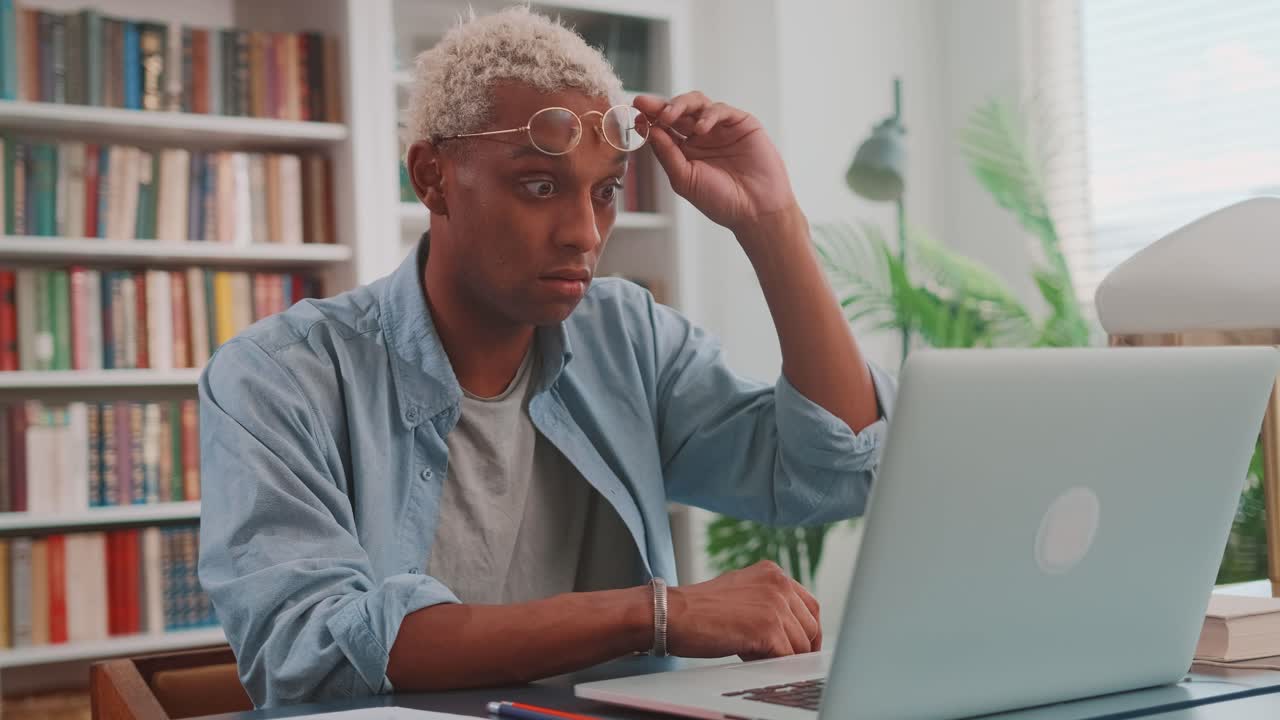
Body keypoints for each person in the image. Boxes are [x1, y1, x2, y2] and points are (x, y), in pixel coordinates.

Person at [197, 6, 896, 708]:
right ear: (432, 177)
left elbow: (833, 469)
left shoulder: (629, 338)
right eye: (539, 186)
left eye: (605, 192)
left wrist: (771, 222)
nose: (584, 233)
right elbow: (315, 649)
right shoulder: (280, 377)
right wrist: (655, 614)